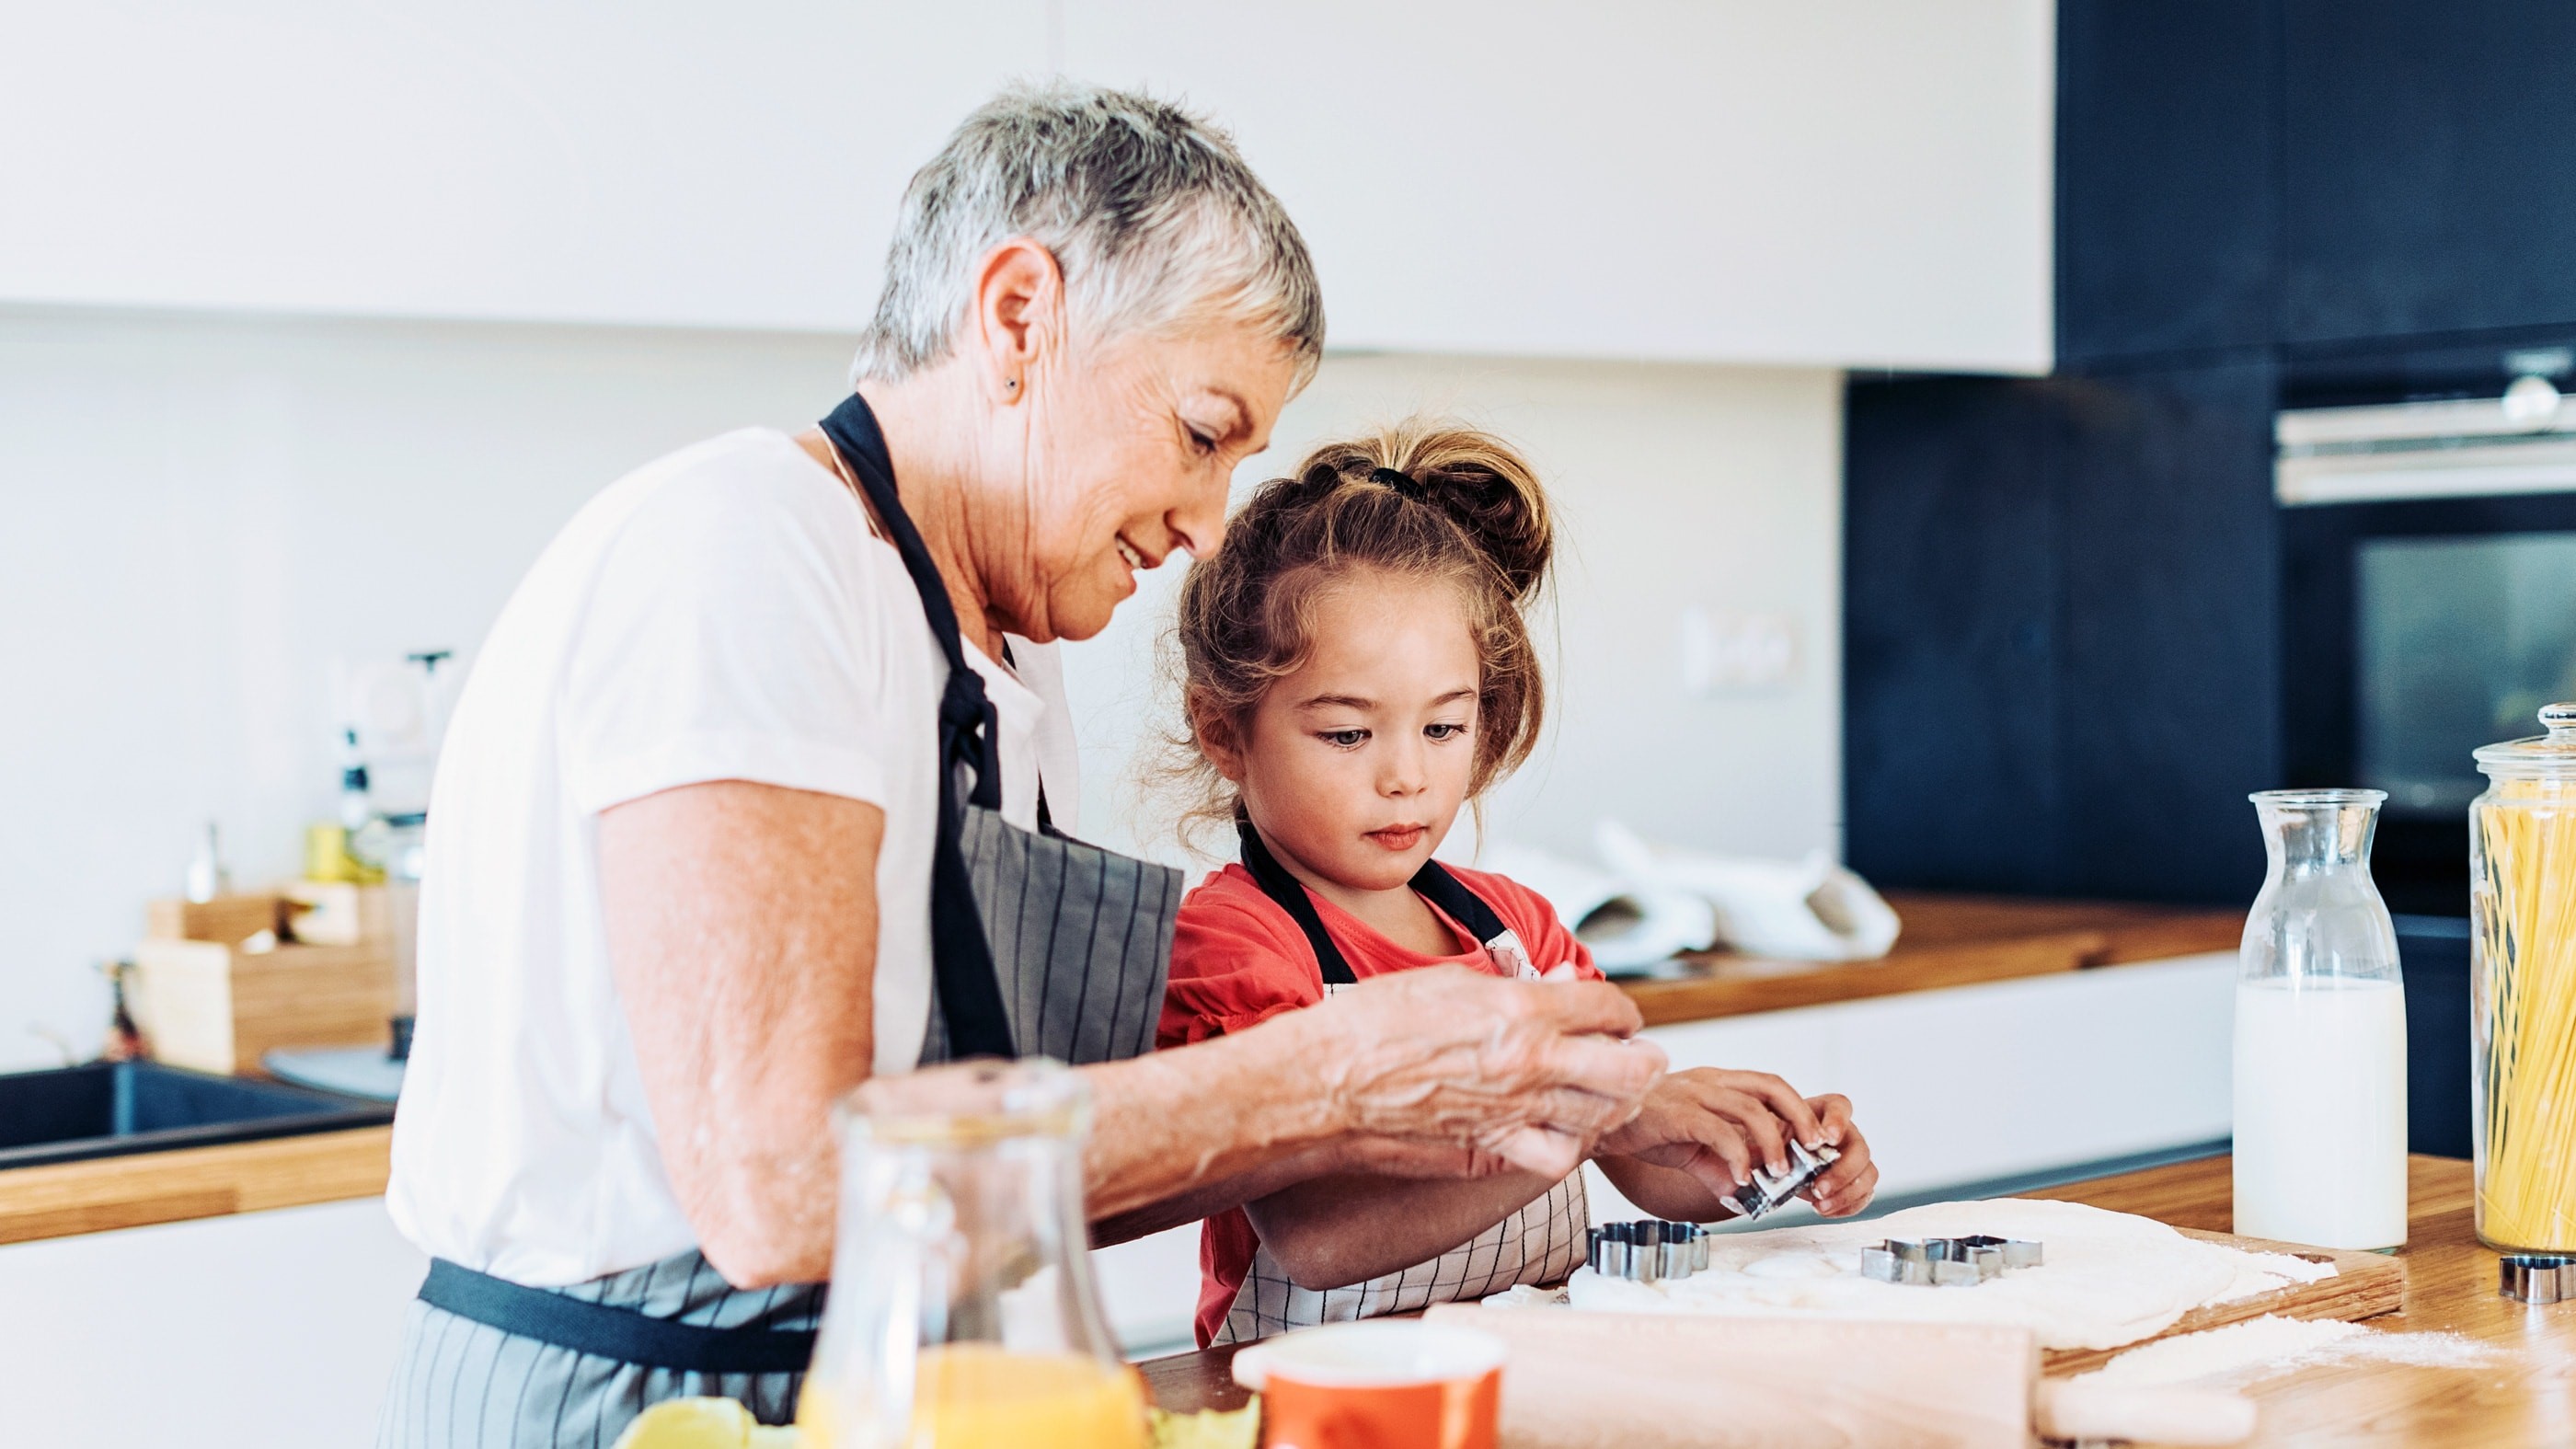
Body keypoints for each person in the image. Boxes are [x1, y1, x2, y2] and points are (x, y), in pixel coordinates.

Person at [377, 85, 1681, 1448]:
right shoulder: (752, 550)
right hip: (643, 1402)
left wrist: (1512, 1118)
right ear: (1017, 319)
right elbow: (782, 1189)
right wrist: (1329, 1073)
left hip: (893, 1383)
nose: (1201, 521)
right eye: (1198, 432)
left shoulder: (1001, 653)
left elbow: (1027, 1178)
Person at [1158, 424, 1880, 1346]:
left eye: (1443, 729)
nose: (1405, 778)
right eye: (1346, 734)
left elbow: (1648, 1168)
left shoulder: (1517, 930)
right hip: (1318, 1404)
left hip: (1525, 1379)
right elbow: (1319, 1237)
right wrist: (1593, 1122)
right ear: (1224, 732)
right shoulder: (1232, 945)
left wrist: (1756, 1156)